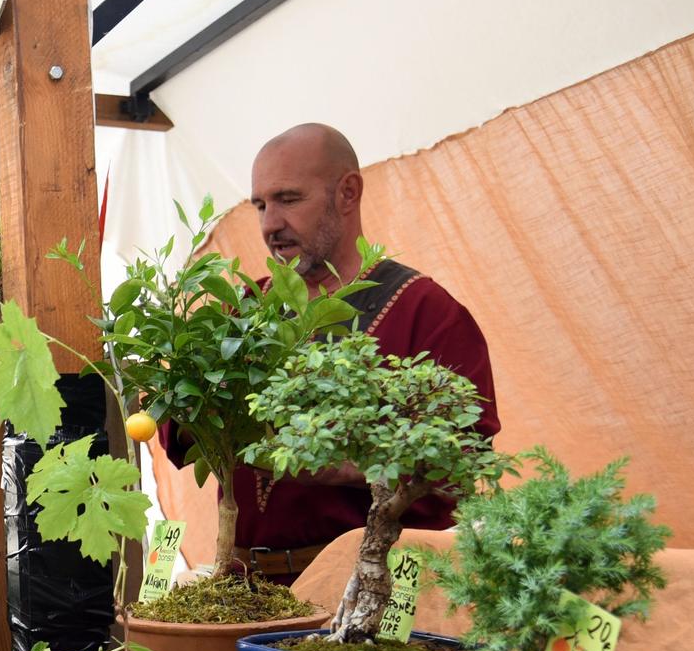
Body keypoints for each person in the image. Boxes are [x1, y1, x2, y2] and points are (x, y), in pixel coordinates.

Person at [192, 122, 500, 582]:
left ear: (348, 193)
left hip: (370, 589)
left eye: (288, 199)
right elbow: (180, 428)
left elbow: (458, 459)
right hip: (245, 588)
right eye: (260, 205)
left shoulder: (427, 312)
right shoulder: (239, 315)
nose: (269, 224)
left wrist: (328, 461)